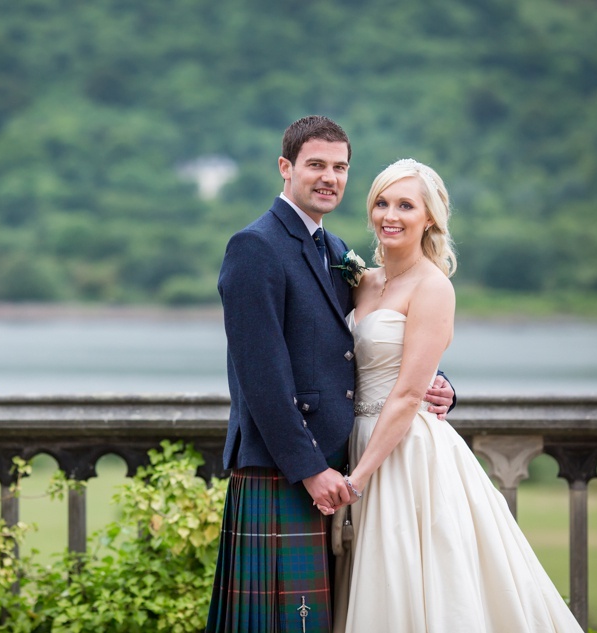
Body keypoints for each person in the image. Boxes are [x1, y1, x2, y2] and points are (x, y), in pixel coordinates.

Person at [205, 117, 455, 633]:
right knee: (283, 624)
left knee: (322, 619)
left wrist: (440, 381)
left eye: (339, 168)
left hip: (337, 466)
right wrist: (310, 469)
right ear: (286, 167)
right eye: (316, 164)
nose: (329, 178)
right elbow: (261, 378)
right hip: (284, 466)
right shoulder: (255, 247)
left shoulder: (336, 251)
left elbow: (372, 339)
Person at [329, 158, 583, 632]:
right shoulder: (361, 281)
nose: (390, 214)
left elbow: (408, 392)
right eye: (382, 202)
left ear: (430, 218)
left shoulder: (434, 287)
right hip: (355, 439)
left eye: (406, 205)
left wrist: (356, 479)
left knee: (415, 576)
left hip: (406, 454)